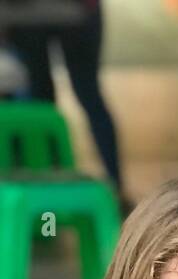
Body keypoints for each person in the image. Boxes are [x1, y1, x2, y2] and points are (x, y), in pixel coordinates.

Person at [6, 0, 123, 194]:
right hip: (70, 13)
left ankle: (45, 186)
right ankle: (115, 189)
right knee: (86, 95)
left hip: (31, 14)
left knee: (40, 104)